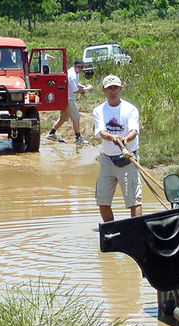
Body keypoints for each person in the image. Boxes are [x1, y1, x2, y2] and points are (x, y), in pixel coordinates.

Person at [93, 74, 142, 222]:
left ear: (121, 89)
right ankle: (111, 230)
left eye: (115, 88)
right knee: (102, 200)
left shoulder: (130, 109)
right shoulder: (98, 110)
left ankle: (135, 230)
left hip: (128, 159)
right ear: (104, 90)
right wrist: (113, 138)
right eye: (109, 89)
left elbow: (134, 131)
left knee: (134, 201)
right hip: (108, 160)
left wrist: (124, 140)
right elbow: (101, 132)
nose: (112, 91)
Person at [46, 59, 89, 144]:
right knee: (76, 116)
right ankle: (78, 137)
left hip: (65, 98)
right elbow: (75, 90)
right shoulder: (72, 75)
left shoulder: (75, 73)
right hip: (68, 98)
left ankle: (51, 133)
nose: (81, 69)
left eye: (82, 67)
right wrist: (87, 89)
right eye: (79, 67)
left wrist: (83, 86)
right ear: (74, 66)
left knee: (63, 118)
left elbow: (75, 85)